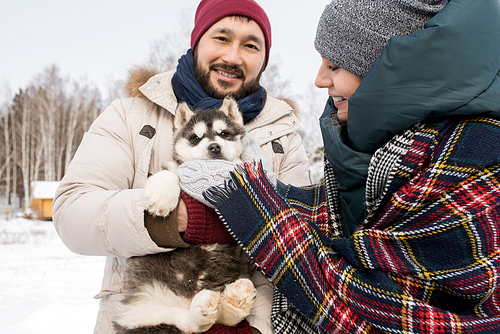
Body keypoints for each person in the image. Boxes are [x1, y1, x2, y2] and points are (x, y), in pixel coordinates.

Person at [177, 0, 500, 332]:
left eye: (334, 65)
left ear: (390, 70)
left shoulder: (475, 157)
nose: (319, 80)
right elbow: (343, 217)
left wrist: (253, 206)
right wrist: (275, 191)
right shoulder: (390, 147)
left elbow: (373, 316)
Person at [52, 0, 311, 333]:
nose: (233, 56)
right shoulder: (131, 116)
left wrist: (256, 326)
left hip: (237, 314)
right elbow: (73, 212)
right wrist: (176, 219)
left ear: (263, 59)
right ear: (197, 41)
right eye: (221, 37)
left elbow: (299, 247)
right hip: (150, 310)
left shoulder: (282, 134)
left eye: (250, 45)